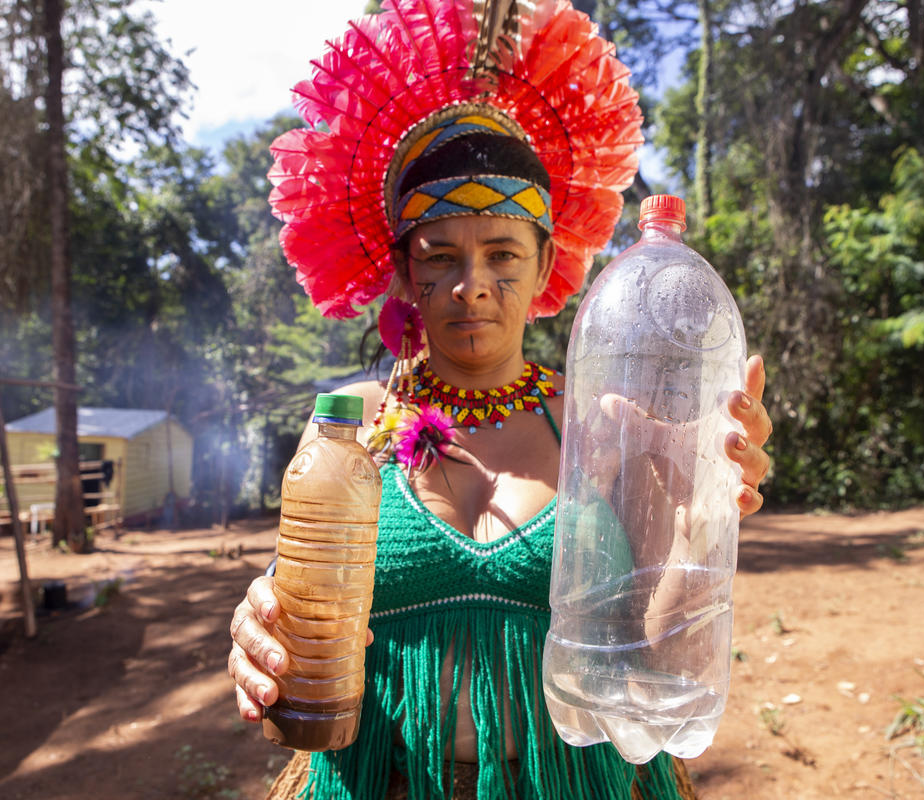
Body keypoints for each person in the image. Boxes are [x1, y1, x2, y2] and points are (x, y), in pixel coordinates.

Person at [228, 2, 772, 797]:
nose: (471, 283)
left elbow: (655, 661)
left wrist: (700, 531)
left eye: (503, 253)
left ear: (548, 259)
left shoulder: (606, 426)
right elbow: (297, 607)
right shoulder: (351, 429)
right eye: (439, 254)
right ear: (406, 272)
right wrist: (259, 626)